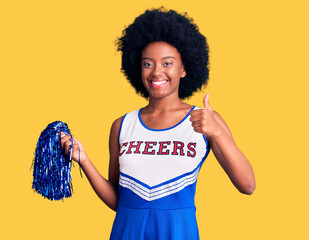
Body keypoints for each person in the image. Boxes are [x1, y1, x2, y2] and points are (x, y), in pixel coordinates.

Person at [61, 7, 256, 240]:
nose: (156, 72)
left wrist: (218, 133)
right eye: (147, 64)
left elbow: (248, 185)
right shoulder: (122, 125)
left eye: (167, 63)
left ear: (184, 68)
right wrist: (83, 160)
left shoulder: (205, 120)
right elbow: (118, 201)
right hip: (126, 232)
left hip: (177, 233)